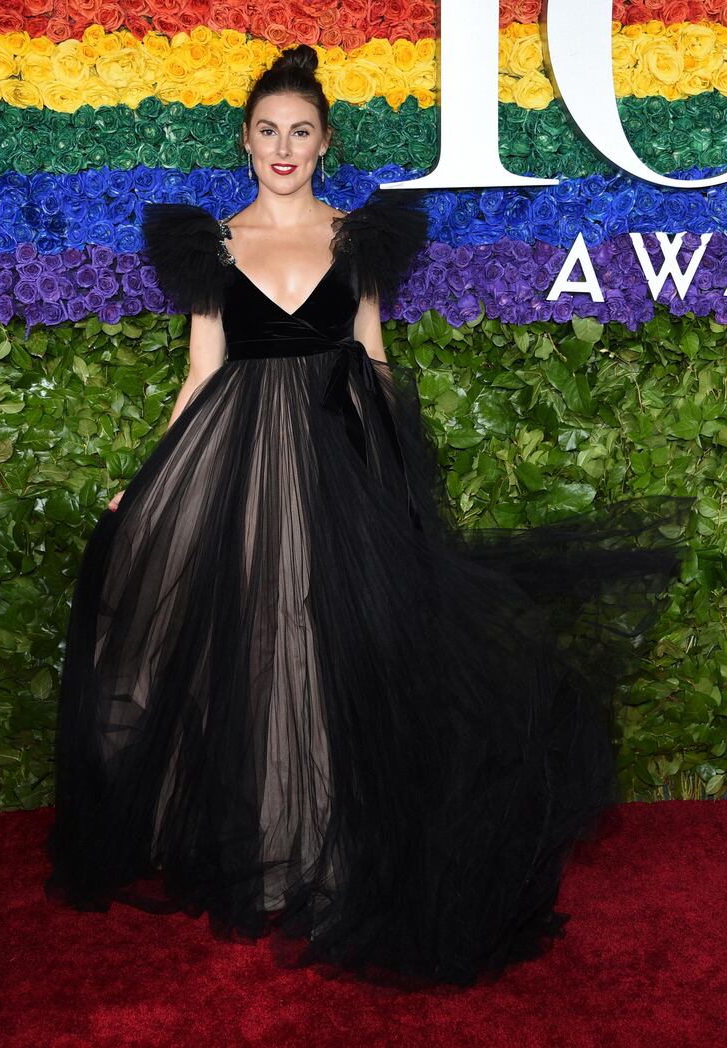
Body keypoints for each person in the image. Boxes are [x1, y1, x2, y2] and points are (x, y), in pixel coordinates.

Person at [44, 43, 694, 990]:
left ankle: (326, 851)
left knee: (328, 638)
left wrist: (397, 471)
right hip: (236, 461)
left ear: (323, 143)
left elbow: (376, 357)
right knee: (254, 640)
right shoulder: (212, 244)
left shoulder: (360, 239)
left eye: (299, 132)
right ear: (245, 139)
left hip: (337, 460)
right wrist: (145, 481)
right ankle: (258, 845)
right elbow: (201, 373)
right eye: (268, 130)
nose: (282, 146)